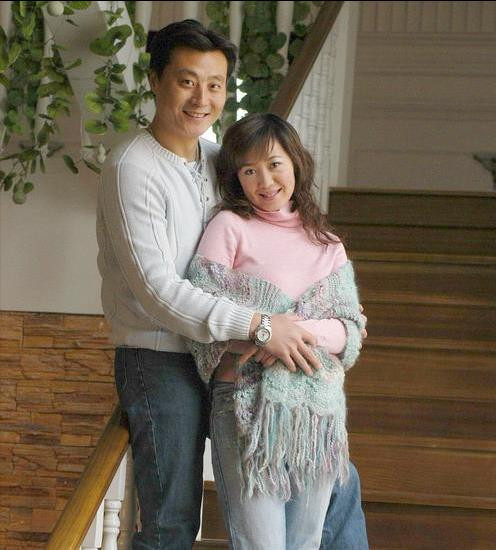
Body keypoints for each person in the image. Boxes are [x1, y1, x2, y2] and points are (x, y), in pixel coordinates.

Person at [96, 18, 368, 550]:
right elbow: (157, 289)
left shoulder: (218, 157)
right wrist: (263, 326)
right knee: (173, 519)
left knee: (340, 482)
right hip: (162, 357)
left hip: (234, 358)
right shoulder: (132, 166)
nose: (202, 98)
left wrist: (333, 322)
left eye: (215, 84)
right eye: (186, 81)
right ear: (154, 80)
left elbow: (273, 235)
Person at [186, 112, 366, 549]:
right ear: (236, 177)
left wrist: (288, 334)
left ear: (296, 163)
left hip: (315, 415)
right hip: (243, 405)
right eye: (249, 171)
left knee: (304, 544)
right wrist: (264, 332)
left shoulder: (326, 243)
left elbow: (348, 330)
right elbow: (201, 314)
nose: (264, 181)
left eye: (274, 164)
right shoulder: (229, 227)